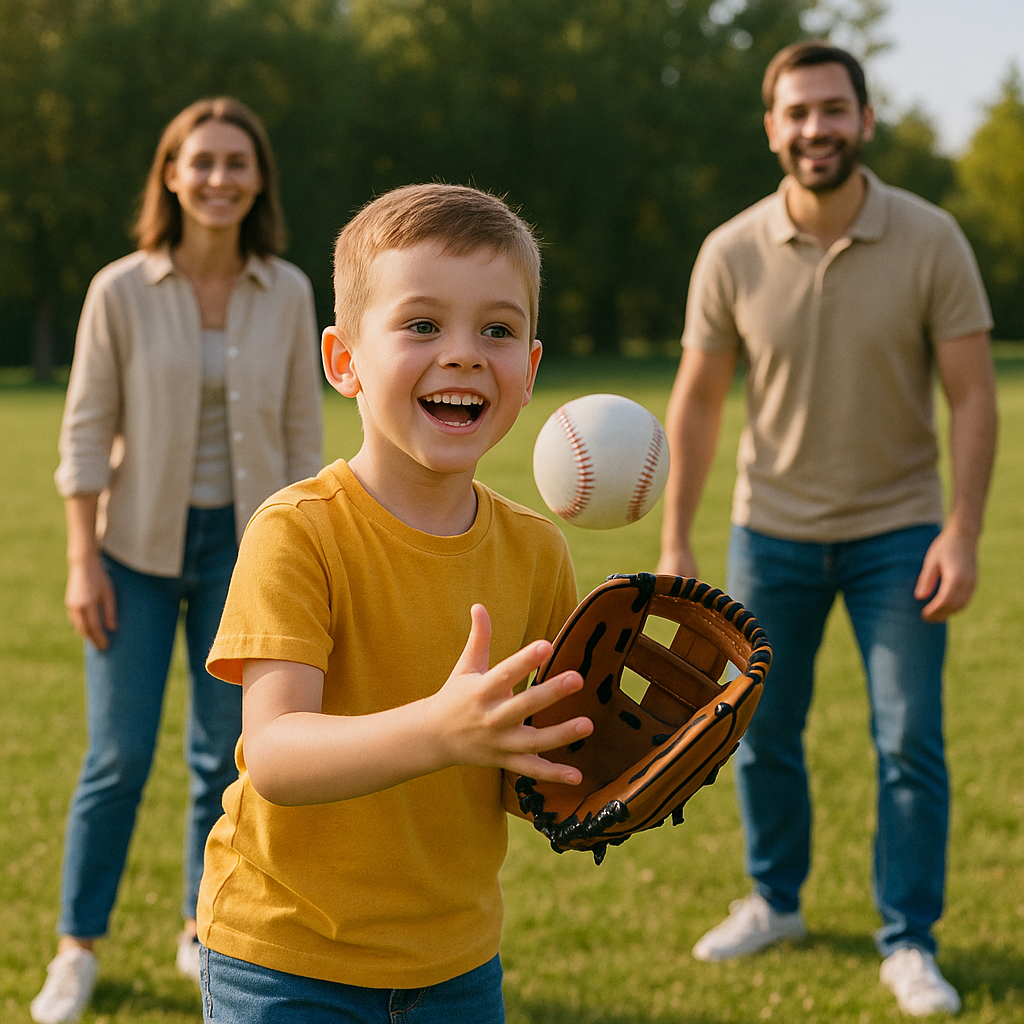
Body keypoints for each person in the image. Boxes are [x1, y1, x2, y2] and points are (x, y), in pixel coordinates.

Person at [194, 182, 591, 1023]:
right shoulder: (298, 532)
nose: (464, 355)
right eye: (421, 325)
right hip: (285, 957)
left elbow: (519, 763)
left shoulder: (537, 552)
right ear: (344, 362)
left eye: (497, 330)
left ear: (529, 371)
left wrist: (594, 774)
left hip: (456, 963)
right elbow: (276, 754)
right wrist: (439, 730)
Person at [657, 41, 997, 1018]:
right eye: (797, 112)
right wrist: (677, 541)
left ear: (864, 119)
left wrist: (962, 531)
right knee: (758, 731)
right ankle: (775, 900)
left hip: (901, 534)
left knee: (908, 739)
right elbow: (697, 402)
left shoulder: (931, 238)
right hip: (769, 533)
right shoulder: (730, 250)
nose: (816, 128)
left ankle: (910, 939)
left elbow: (973, 396)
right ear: (772, 128)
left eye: (833, 109)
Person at [34, 98, 324, 1024]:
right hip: (132, 552)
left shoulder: (288, 292)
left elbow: (303, 436)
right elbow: (85, 434)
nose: (218, 178)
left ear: (259, 179)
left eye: (237, 162)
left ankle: (203, 928)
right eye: (201, 161)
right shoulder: (119, 290)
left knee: (223, 759)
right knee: (117, 757)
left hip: (249, 556)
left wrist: (309, 560)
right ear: (170, 174)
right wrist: (81, 561)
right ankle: (77, 948)